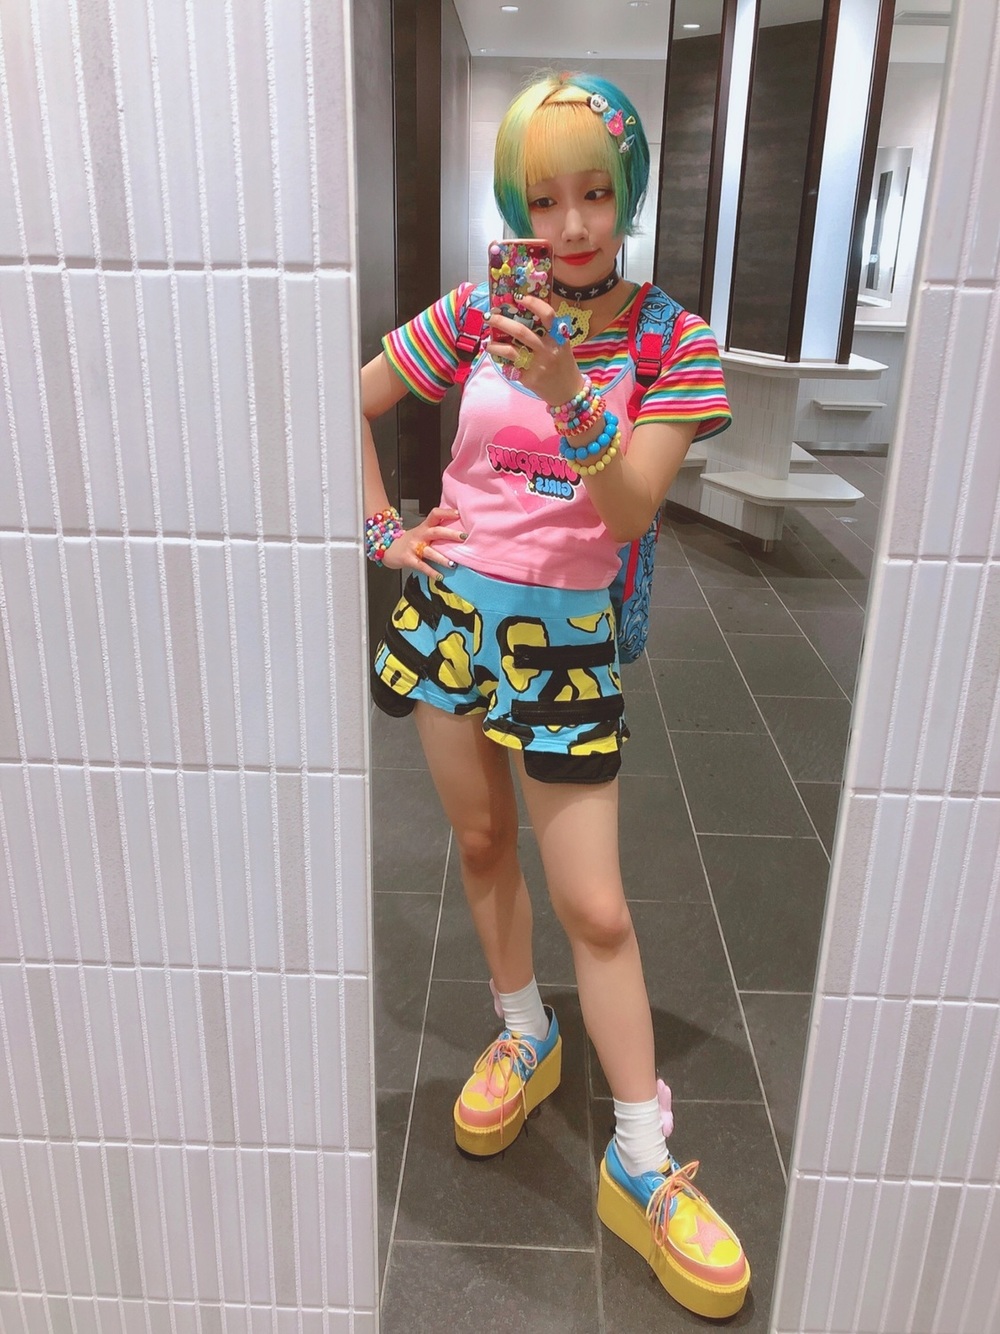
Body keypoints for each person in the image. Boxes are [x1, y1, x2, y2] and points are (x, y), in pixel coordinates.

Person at [361, 72, 750, 1320]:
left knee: (594, 901)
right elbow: (356, 395)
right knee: (479, 842)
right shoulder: (481, 305)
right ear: (516, 205)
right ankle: (524, 1030)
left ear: (627, 191)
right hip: (451, 618)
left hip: (566, 640)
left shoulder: (674, 341)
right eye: (543, 199)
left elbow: (627, 509)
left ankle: (639, 1156)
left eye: (593, 192)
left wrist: (571, 385)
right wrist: (383, 533)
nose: (571, 224)